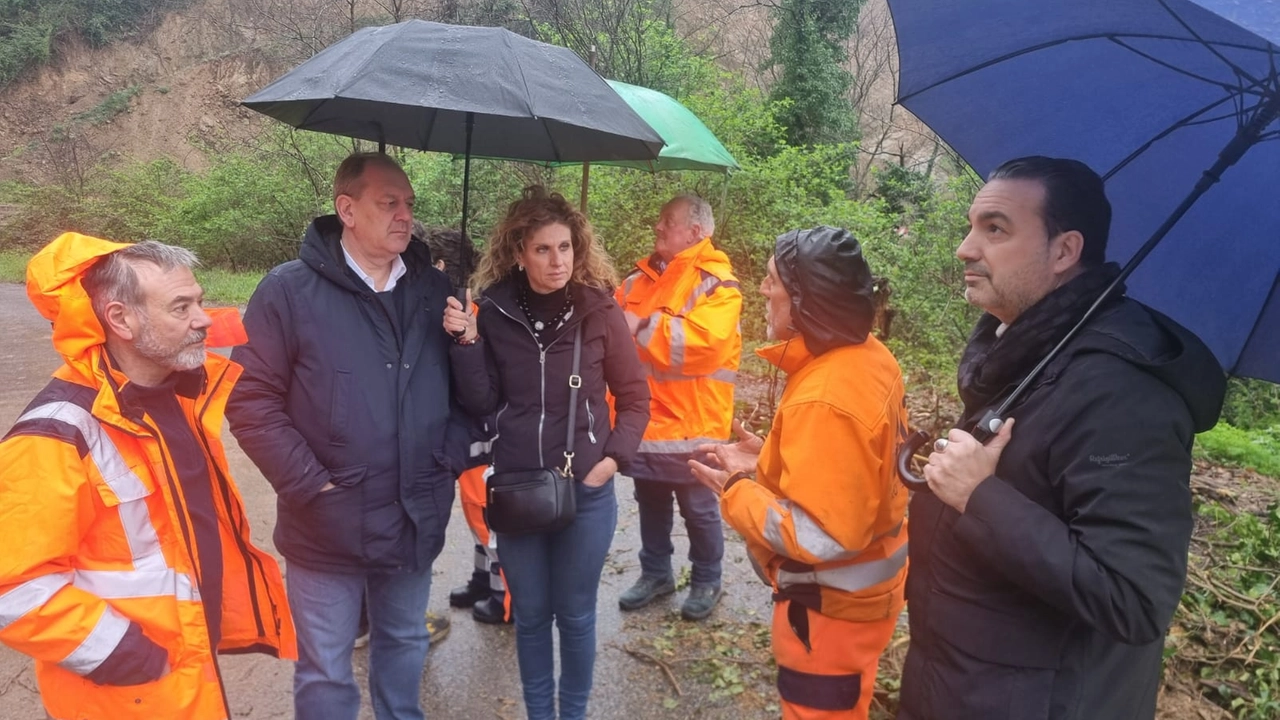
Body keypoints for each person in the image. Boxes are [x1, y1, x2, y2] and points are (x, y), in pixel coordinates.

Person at [897, 156, 1226, 720]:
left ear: (1065, 251)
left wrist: (981, 497)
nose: (965, 249)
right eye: (971, 225)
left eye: (994, 229)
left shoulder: (1120, 392)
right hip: (962, 687)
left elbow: (1133, 597)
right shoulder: (1028, 358)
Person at [0, 233, 296, 720]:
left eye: (199, 301)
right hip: (124, 692)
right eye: (181, 308)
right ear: (121, 319)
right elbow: (13, 585)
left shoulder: (173, 398)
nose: (204, 319)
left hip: (183, 666)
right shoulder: (56, 433)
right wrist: (124, 653)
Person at [227, 152, 460, 720]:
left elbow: (470, 398)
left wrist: (446, 454)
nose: (405, 215)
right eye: (389, 203)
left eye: (409, 204)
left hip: (413, 513)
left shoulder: (436, 290)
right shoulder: (288, 291)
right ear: (346, 209)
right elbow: (249, 398)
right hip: (326, 522)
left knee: (404, 644)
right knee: (326, 667)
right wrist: (309, 482)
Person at [444, 186, 650, 720]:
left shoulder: (600, 311)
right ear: (519, 252)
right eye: (543, 249)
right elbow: (482, 400)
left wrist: (611, 462)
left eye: (565, 247)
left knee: (577, 616)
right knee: (532, 616)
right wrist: (466, 344)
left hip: (586, 492)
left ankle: (573, 713)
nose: (557, 261)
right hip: (517, 491)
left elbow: (635, 399)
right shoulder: (492, 313)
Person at [690, 226, 909, 720]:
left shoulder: (825, 394)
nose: (763, 291)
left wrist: (737, 488)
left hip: (829, 613)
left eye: (772, 281)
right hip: (865, 606)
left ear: (806, 300)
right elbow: (852, 471)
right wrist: (770, 456)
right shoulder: (870, 357)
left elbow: (822, 533)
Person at [615, 193, 743, 620]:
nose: (658, 227)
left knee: (699, 508)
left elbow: (705, 344)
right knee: (649, 500)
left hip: (695, 422)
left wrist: (642, 325)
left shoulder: (717, 283)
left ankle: (708, 578)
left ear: (696, 231)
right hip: (645, 420)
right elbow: (609, 330)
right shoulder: (636, 281)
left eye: (667, 220)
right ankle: (656, 574)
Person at [419, 226, 510, 625]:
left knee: (488, 517)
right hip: (466, 435)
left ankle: (506, 597)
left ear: (440, 266)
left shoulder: (470, 310)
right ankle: (482, 578)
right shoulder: (458, 305)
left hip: (482, 437)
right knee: (477, 519)